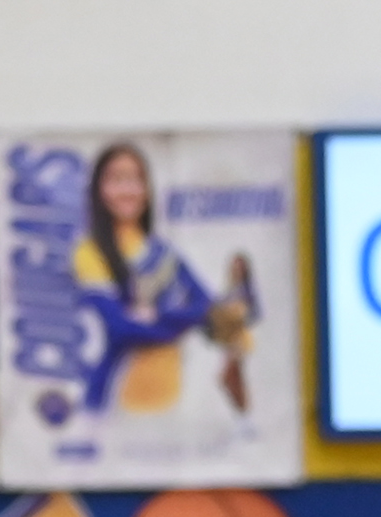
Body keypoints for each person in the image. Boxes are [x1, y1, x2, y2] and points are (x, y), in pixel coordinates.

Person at [74, 141, 256, 416]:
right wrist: (183, 320)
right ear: (98, 190)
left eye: (135, 180)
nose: (126, 190)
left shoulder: (163, 252)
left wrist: (160, 315)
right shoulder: (89, 252)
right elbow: (121, 328)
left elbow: (208, 306)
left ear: (147, 190)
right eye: (116, 180)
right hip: (117, 401)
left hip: (171, 398)